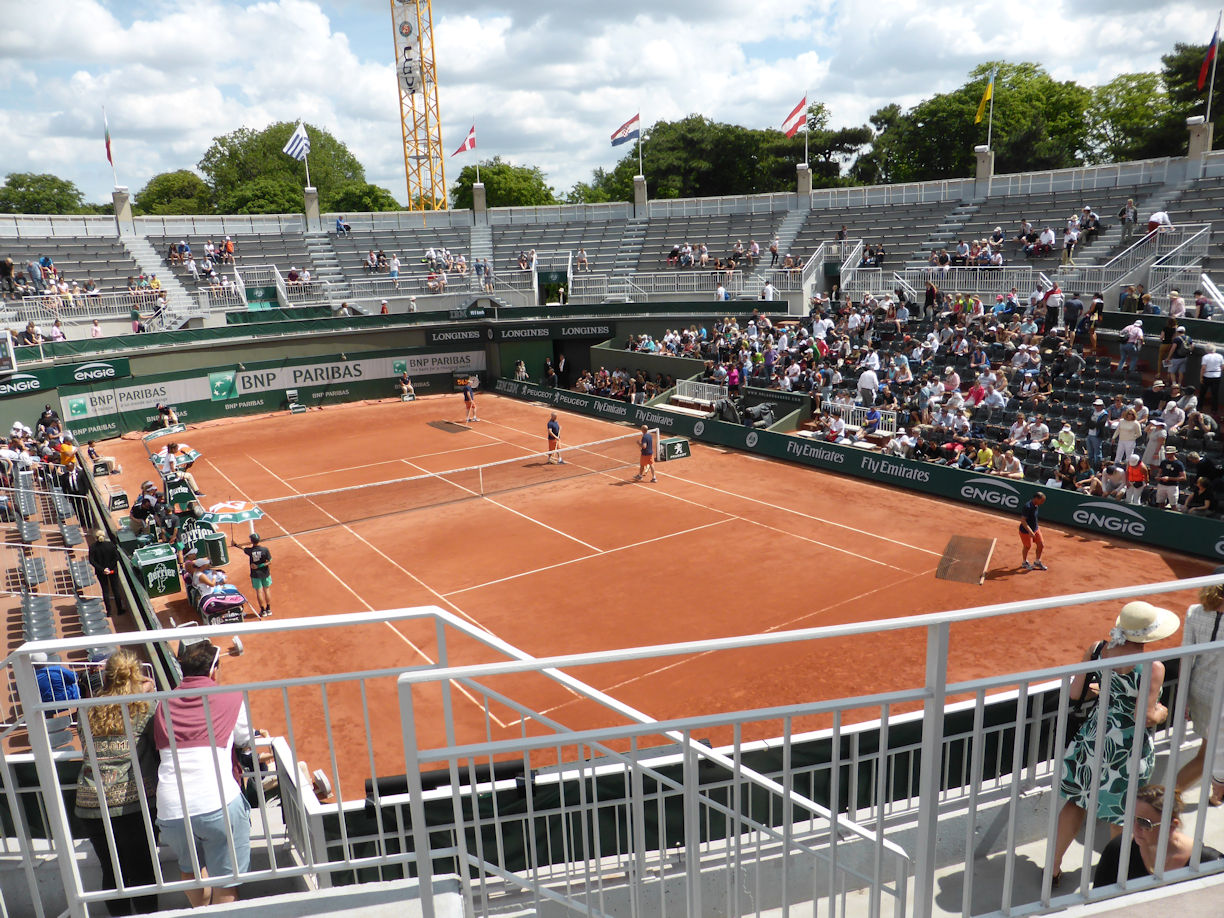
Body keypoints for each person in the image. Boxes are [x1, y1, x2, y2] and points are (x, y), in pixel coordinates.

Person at [1051, 601, 1178, 884]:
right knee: (1119, 814)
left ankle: (1053, 869)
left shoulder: (1098, 649)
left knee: (1075, 802)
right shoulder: (1152, 667)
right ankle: (1112, 878)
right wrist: (1163, 711)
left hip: (1093, 738)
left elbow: (1075, 693)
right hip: (1126, 750)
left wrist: (1106, 692)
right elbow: (1144, 716)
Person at [153, 640, 254, 906]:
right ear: (212, 670)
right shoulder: (232, 695)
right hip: (217, 803)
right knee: (227, 882)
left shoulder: (163, 704)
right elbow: (244, 739)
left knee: (192, 871)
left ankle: (199, 911)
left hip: (171, 810)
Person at [74, 650, 160, 917]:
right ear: (137, 673)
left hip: (91, 803)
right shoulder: (146, 703)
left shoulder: (87, 707)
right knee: (143, 870)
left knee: (113, 872)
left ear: (106, 676)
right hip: (133, 806)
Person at [1093, 785, 1223, 888]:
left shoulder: (1210, 862)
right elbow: (1096, 903)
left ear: (1172, 825)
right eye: (1131, 819)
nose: (1135, 828)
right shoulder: (1118, 850)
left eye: (1144, 823)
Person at [1175, 582, 1224, 801]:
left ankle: (1216, 795)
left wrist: (1184, 697)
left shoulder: (1193, 611)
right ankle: (1163, 802)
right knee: (1207, 756)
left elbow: (1186, 659)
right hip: (1220, 699)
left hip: (1199, 691)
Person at [234, 533, 272, 618]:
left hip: (255, 575)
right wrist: (260, 565)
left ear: (252, 541)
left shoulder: (250, 551)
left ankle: (263, 610)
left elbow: (243, 548)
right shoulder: (265, 550)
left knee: (259, 592)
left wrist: (235, 544)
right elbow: (270, 561)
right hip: (265, 573)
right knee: (267, 590)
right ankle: (268, 609)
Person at [88, 530, 124, 618]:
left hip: (101, 572)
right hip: (112, 571)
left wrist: (103, 569)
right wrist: (109, 568)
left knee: (105, 591)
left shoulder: (92, 547)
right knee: (116, 590)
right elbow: (116, 557)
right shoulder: (111, 545)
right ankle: (119, 609)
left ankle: (109, 612)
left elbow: (92, 561)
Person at [1019, 491, 1047, 571]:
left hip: (1035, 528)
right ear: (1036, 499)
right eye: (1041, 501)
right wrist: (1030, 531)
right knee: (1027, 546)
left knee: (1041, 544)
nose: (1042, 502)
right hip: (1025, 531)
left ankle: (1037, 562)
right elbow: (1023, 521)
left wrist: (1034, 529)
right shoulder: (1027, 506)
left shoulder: (1036, 505)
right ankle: (1024, 562)